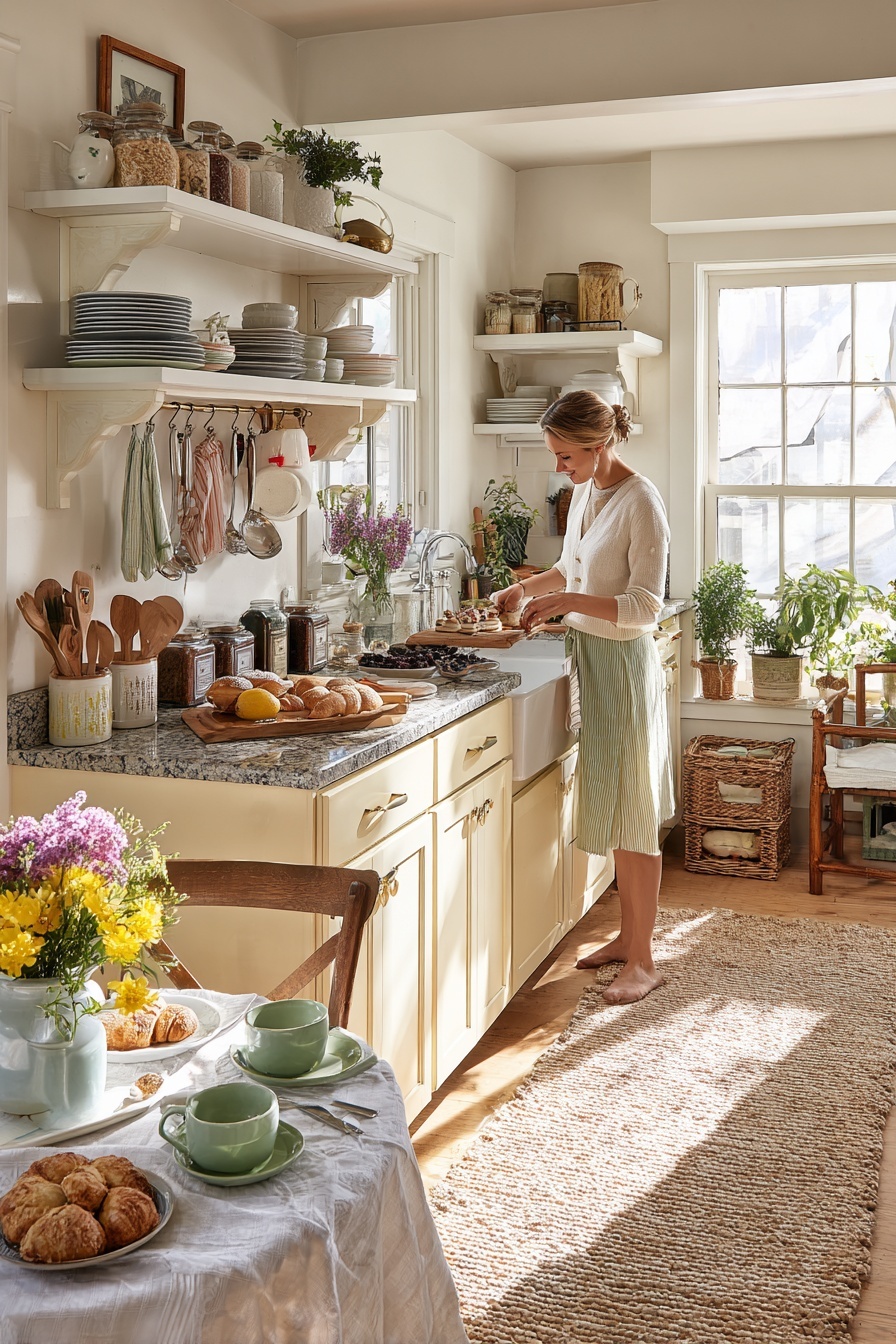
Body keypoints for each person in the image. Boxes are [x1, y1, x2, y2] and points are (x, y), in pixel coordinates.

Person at [492, 390, 674, 1004]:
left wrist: (566, 604)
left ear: (600, 446)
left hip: (624, 666)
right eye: (556, 456)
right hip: (592, 661)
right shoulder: (588, 493)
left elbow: (646, 608)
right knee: (616, 803)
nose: (559, 469)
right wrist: (521, 591)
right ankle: (628, 938)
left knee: (636, 812)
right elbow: (571, 569)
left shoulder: (642, 502)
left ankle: (644, 960)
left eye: (566, 457)